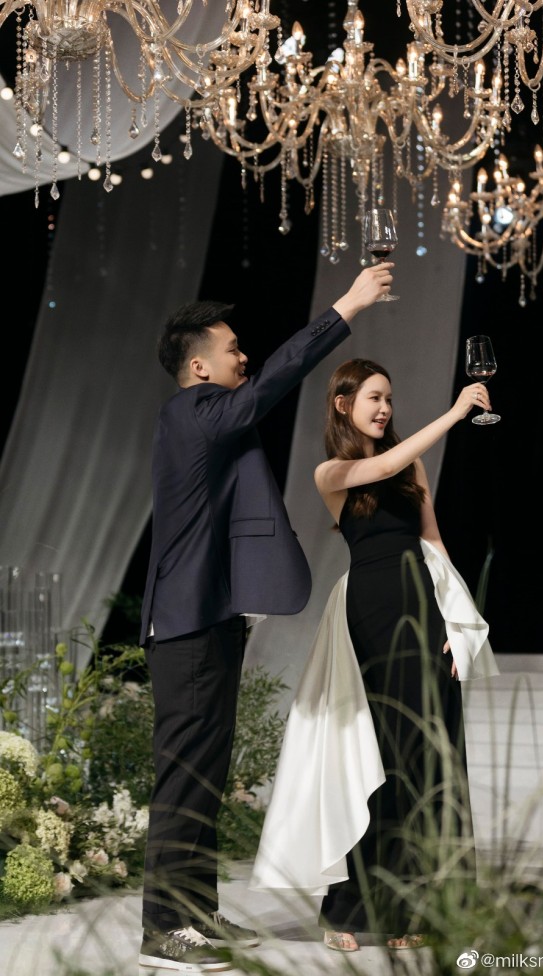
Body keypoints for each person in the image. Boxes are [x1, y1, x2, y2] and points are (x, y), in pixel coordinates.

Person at [138, 267, 394, 974]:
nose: (243, 356)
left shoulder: (207, 417)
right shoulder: (193, 412)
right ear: (199, 367)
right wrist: (346, 307)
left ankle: (195, 912)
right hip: (187, 626)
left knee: (206, 777)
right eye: (231, 349)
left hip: (210, 620)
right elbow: (277, 377)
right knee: (184, 779)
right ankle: (163, 929)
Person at [250, 358, 499, 951]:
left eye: (389, 398)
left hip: (423, 608)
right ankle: (348, 908)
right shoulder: (330, 471)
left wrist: (457, 624)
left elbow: (433, 541)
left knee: (430, 758)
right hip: (372, 615)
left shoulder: (411, 463)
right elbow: (380, 467)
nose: (385, 408)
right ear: (343, 405)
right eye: (374, 398)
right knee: (378, 757)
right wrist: (456, 412)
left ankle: (420, 908)